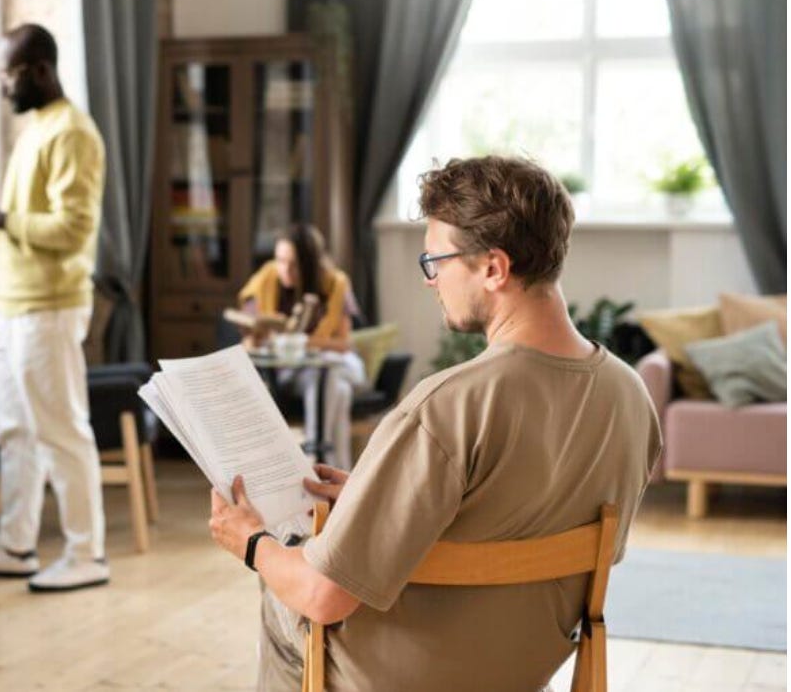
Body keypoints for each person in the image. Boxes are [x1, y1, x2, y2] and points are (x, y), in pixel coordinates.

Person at [209, 156, 663, 691]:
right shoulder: (629, 394)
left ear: (494, 269)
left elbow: (323, 597)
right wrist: (383, 498)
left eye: (436, 261)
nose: (430, 281)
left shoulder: (447, 406)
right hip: (525, 669)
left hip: (407, 674)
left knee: (283, 595)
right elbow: (518, 520)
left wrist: (250, 541)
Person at [0, 23, 109, 592]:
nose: (3, 86)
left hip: (49, 308)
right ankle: (16, 546)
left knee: (62, 432)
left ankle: (87, 555)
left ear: (40, 70)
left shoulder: (74, 133)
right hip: (10, 305)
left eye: (9, 74)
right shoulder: (38, 127)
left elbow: (73, 228)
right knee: (15, 432)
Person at [237, 224, 365, 467]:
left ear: (309, 264)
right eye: (280, 260)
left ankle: (315, 454)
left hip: (331, 366)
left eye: (293, 263)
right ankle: (333, 465)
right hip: (293, 372)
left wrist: (303, 341)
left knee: (328, 371)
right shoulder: (266, 280)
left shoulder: (334, 284)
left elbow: (344, 344)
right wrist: (255, 337)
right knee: (338, 388)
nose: (285, 269)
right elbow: (249, 335)